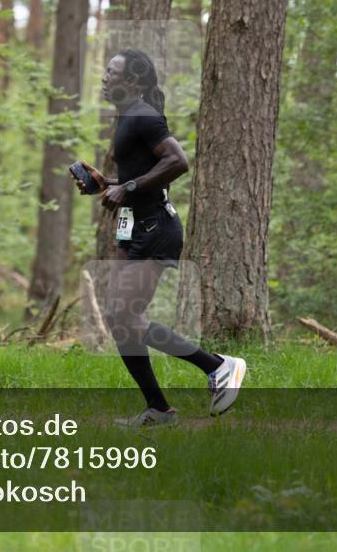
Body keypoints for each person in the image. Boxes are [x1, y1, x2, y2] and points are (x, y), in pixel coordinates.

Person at [75, 49, 247, 428]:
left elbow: (178, 162)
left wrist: (128, 187)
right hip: (136, 227)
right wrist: (109, 184)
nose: (104, 76)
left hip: (155, 229)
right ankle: (158, 409)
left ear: (131, 81)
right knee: (119, 318)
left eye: (112, 71)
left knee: (125, 316)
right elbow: (143, 177)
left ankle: (219, 367)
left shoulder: (143, 115)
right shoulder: (128, 116)